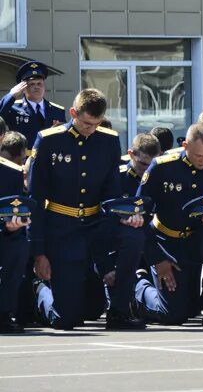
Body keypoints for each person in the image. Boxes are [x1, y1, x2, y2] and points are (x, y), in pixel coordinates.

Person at [28, 88, 145, 330]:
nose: (90, 129)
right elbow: (36, 199)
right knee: (67, 320)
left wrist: (126, 217)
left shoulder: (109, 140)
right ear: (73, 113)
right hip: (62, 230)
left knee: (133, 236)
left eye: (96, 124)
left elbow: (112, 192)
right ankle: (41, 291)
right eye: (86, 123)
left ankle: (119, 310)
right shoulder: (49, 140)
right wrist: (39, 252)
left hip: (96, 226)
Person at [134, 123, 203, 326]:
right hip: (167, 242)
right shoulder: (162, 167)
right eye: (199, 156)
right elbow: (141, 215)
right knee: (173, 315)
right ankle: (138, 285)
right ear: (185, 146)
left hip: (198, 240)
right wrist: (157, 259)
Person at [0, 61, 67, 146]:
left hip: (49, 158)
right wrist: (11, 96)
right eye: (32, 84)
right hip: (23, 157)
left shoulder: (57, 110)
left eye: (39, 83)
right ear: (23, 88)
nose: (36, 87)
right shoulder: (13, 108)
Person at [0, 166, 29, 333]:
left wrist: (11, 227)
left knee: (18, 245)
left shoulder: (11, 173)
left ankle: (4, 312)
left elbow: (16, 211)